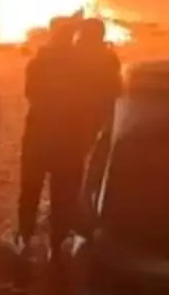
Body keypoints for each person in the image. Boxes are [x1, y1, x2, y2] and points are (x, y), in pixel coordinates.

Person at [16, 15, 121, 263]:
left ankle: (25, 238)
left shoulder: (43, 61)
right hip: (70, 139)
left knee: (31, 190)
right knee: (63, 193)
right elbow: (102, 97)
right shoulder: (85, 66)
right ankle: (56, 244)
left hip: (40, 136)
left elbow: (31, 92)